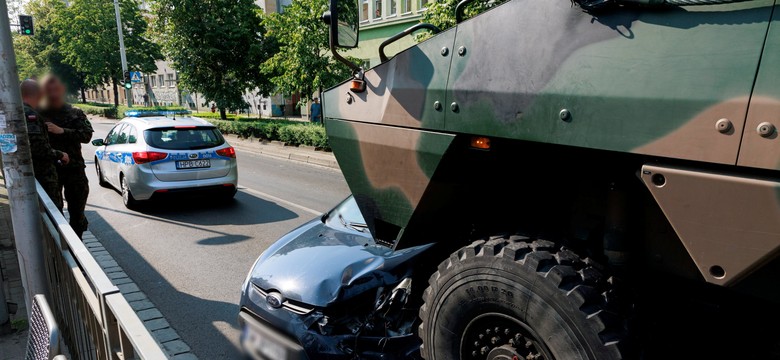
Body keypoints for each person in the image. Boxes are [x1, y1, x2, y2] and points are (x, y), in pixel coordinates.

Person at [40, 75, 94, 239]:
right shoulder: (38, 114)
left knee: (77, 212)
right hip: (50, 171)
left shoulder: (75, 112)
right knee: (54, 212)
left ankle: (77, 244)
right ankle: (60, 245)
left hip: (74, 170)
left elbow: (86, 136)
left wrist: (62, 131)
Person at [19, 79, 68, 210]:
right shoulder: (30, 114)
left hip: (33, 174)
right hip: (42, 176)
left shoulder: (20, 111)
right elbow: (38, 148)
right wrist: (60, 155)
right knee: (52, 213)